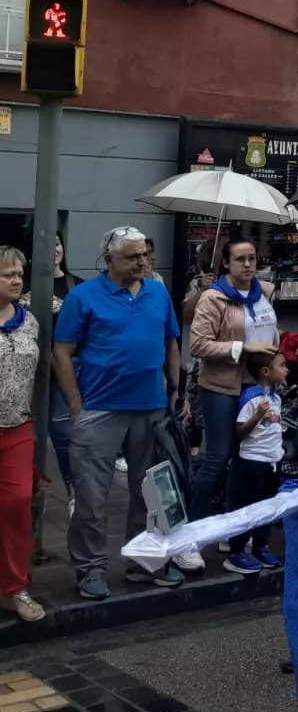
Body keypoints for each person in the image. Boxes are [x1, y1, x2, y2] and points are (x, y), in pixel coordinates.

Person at [53, 226, 186, 598]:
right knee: (92, 497)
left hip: (151, 409)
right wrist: (76, 406)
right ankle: (90, 568)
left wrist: (175, 390)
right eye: (132, 257)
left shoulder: (158, 292)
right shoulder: (83, 297)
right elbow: (61, 353)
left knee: (151, 495)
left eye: (144, 254)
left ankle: (145, 563)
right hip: (99, 410)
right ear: (108, 260)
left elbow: (171, 343)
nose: (142, 261)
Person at [187, 239, 279, 523]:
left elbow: (268, 330)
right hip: (221, 387)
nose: (248, 264)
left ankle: (234, 529)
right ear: (226, 263)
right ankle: (191, 531)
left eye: (252, 258)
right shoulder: (214, 298)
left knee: (246, 459)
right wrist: (242, 348)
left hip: (256, 386)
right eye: (240, 259)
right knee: (218, 456)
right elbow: (198, 345)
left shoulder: (264, 292)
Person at [21, 231, 81, 514]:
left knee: (63, 433)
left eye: (58, 243)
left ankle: (73, 493)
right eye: (47, 245)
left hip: (62, 372)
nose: (54, 249)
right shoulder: (20, 284)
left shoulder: (76, 287)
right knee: (25, 437)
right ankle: (27, 494)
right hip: (24, 372)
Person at [0, 246, 44, 622]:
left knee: (16, 504)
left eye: (19, 274)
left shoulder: (29, 321)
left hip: (18, 426)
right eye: (7, 275)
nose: (17, 280)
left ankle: (14, 587)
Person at [225, 348, 287, 575]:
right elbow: (240, 431)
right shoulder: (251, 398)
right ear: (265, 371)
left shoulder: (276, 398)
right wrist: (257, 416)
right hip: (252, 461)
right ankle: (237, 550)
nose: (286, 370)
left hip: (272, 460)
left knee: (267, 505)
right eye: (281, 365)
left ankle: (260, 545)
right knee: (248, 505)